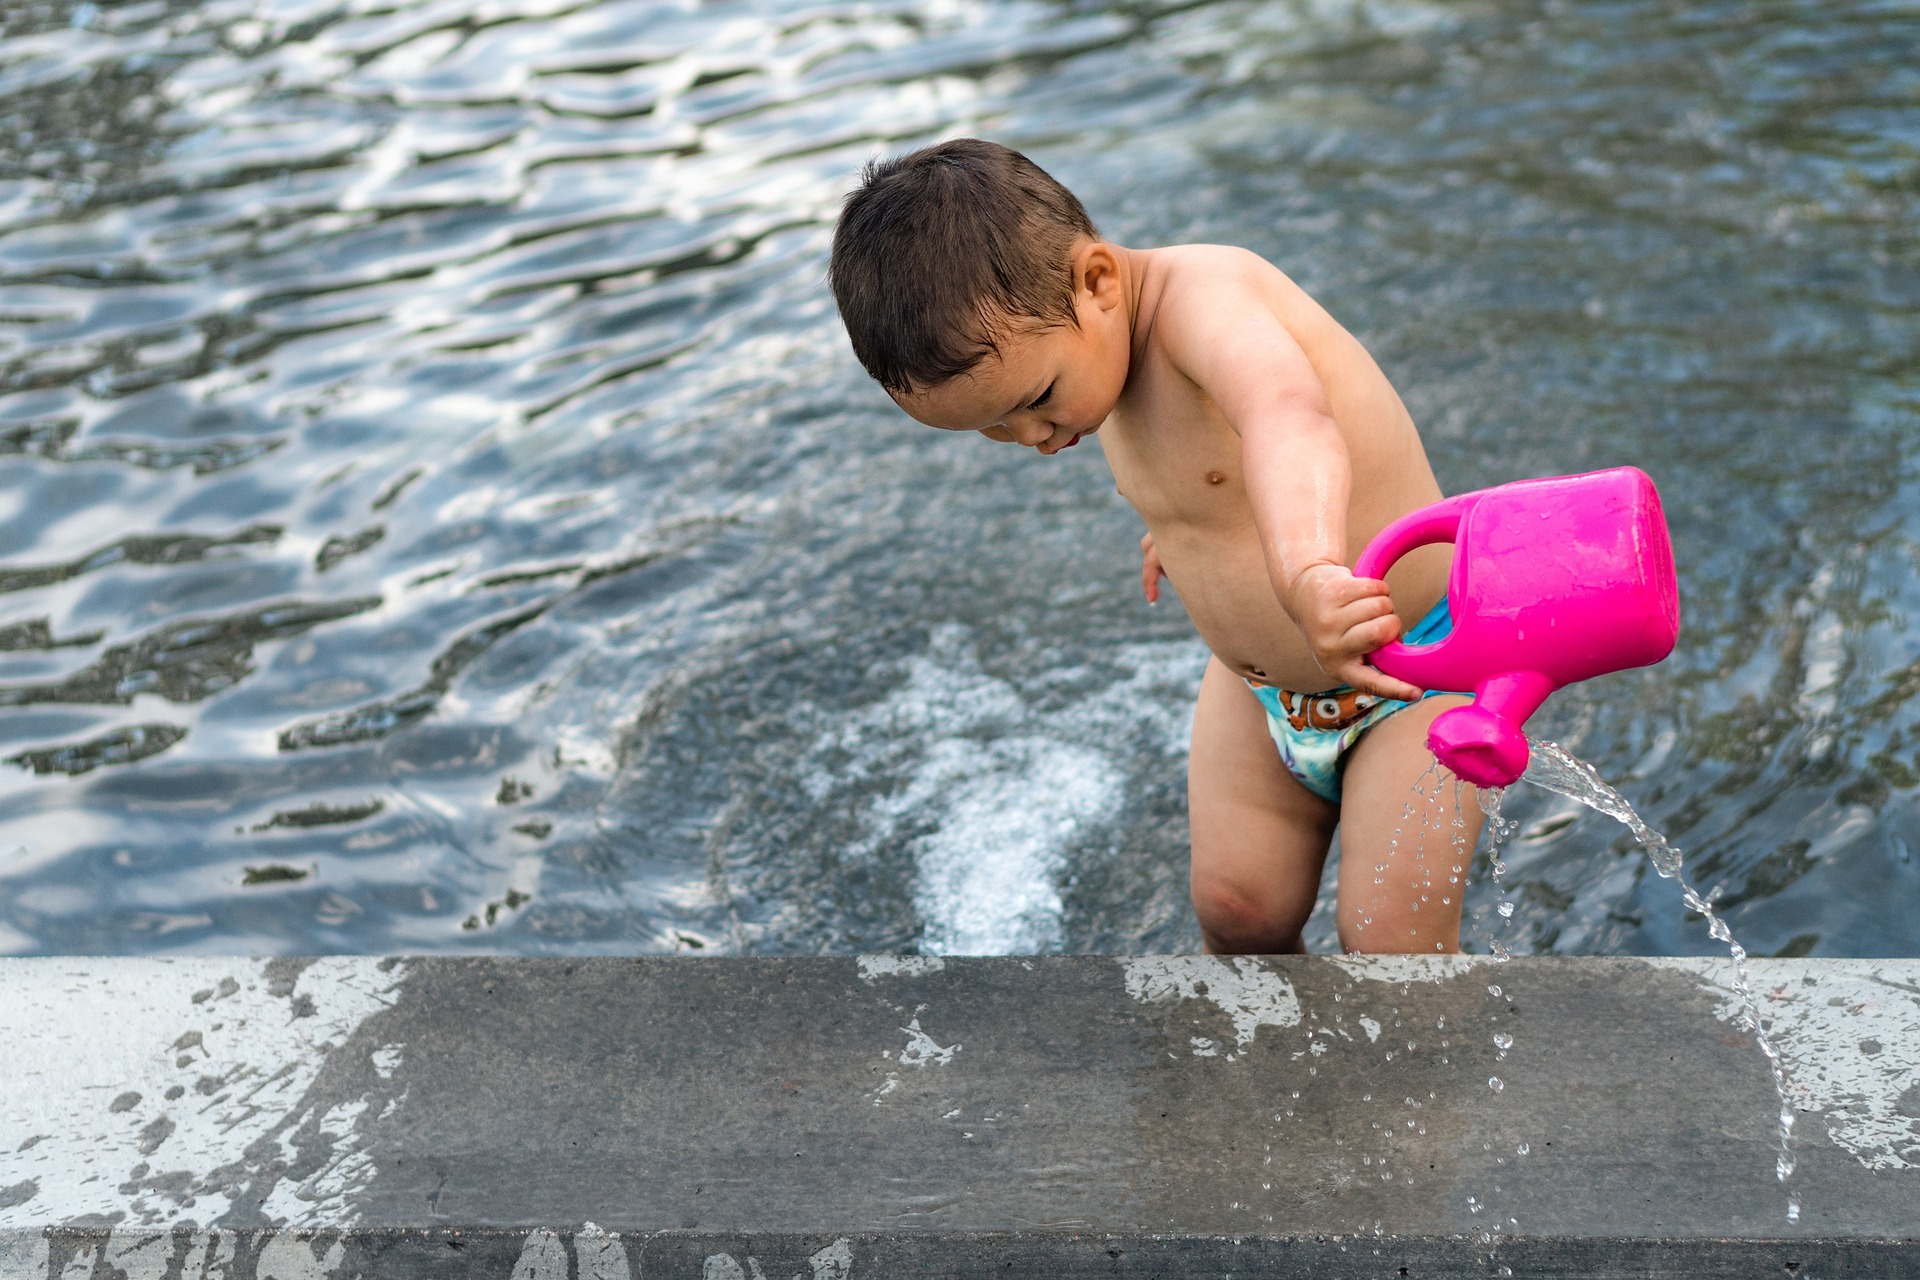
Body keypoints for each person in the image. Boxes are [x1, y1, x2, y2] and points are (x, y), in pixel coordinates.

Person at [828, 138, 1482, 955]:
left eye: (1037, 400)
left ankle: (1433, 1045)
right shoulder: (1095, 354)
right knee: (1237, 913)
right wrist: (1188, 532)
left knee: (1390, 941)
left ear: (1098, 280)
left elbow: (1289, 420)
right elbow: (1207, 468)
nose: (1031, 438)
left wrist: (1310, 568)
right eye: (991, 428)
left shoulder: (1206, 301)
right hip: (1262, 692)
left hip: (1415, 665)